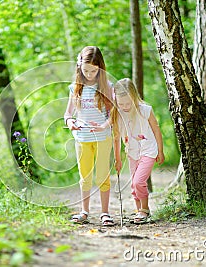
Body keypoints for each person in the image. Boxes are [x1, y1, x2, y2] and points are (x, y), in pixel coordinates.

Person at [64, 46, 115, 226]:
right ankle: (84, 211)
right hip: (82, 139)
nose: (90, 74)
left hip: (103, 138)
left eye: (94, 71)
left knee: (102, 175)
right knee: (85, 175)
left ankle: (105, 213)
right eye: (86, 70)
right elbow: (68, 114)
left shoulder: (107, 87)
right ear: (79, 67)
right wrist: (71, 123)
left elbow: (113, 114)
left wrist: (103, 126)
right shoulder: (75, 88)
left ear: (100, 69)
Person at [111, 78, 164, 224]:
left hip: (149, 150)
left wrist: (160, 150)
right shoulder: (117, 114)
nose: (125, 106)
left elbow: (156, 129)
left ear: (134, 97)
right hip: (132, 152)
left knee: (138, 181)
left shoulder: (145, 110)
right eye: (121, 104)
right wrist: (118, 158)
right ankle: (138, 211)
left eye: (128, 103)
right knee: (134, 185)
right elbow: (116, 137)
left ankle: (144, 210)